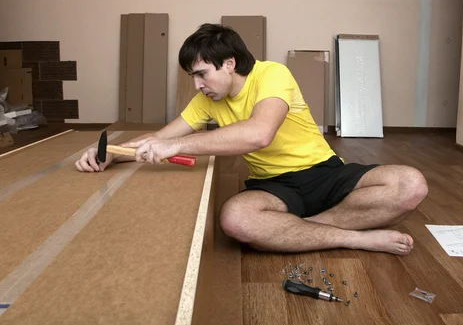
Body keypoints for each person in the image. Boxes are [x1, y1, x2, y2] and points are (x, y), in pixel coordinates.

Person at [76, 23, 428, 255]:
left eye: (201, 74)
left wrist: (179, 146)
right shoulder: (205, 101)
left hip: (324, 172)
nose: (196, 85)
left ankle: (295, 232)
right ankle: (355, 238)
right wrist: (112, 153)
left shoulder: (272, 73)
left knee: (410, 184)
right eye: (192, 77)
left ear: (229, 63)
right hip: (273, 186)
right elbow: (161, 137)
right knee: (236, 219)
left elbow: (260, 134)